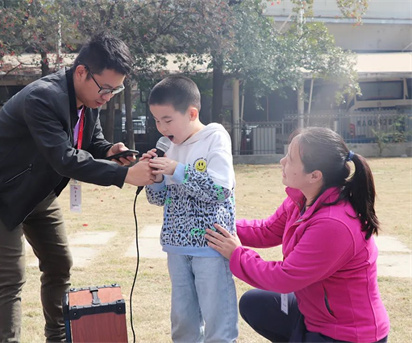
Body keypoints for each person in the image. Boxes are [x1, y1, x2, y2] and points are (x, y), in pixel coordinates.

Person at [0, 33, 155, 342]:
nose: (108, 96)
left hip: (39, 185)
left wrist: (110, 151)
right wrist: (125, 176)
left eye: (115, 89)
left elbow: (89, 141)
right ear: (81, 72)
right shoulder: (43, 97)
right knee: (11, 275)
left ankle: (57, 338)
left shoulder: (89, 98)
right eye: (106, 88)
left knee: (59, 263)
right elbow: (65, 159)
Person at [205, 127, 390, 343]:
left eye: (290, 159)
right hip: (314, 315)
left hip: (347, 333)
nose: (282, 162)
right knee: (255, 303)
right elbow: (267, 230)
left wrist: (237, 254)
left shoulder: (334, 224)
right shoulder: (303, 199)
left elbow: (284, 277)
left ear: (315, 175)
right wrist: (217, 225)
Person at [141, 75, 239, 342]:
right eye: (156, 120)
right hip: (176, 246)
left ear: (192, 113)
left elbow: (221, 189)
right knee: (183, 322)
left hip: (211, 246)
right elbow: (158, 200)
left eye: (168, 120)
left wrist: (178, 170)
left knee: (218, 318)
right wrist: (157, 177)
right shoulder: (169, 147)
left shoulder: (214, 137)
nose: (161, 128)